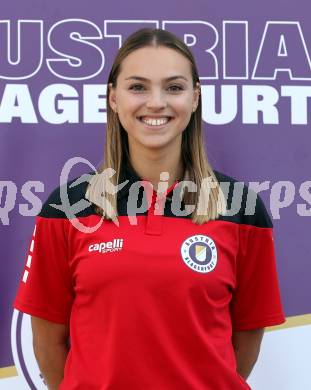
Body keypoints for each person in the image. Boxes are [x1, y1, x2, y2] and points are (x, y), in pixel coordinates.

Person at [13, 28, 286, 390]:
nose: (156, 102)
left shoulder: (240, 208)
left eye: (174, 87)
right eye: (137, 87)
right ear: (113, 98)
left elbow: (246, 341)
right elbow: (47, 342)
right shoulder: (67, 208)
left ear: (195, 98)